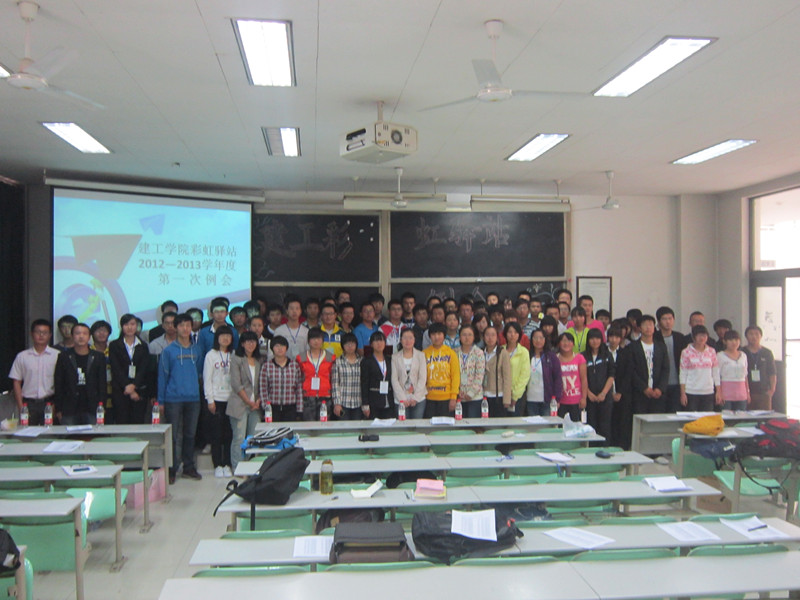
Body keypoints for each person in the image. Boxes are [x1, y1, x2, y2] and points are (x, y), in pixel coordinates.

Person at [158, 313, 202, 483]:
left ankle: (189, 467)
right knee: (173, 436)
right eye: (181, 325)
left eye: (188, 325)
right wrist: (161, 401)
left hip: (193, 398)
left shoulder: (196, 349)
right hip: (173, 399)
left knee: (190, 434)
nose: (185, 329)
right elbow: (162, 377)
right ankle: (171, 469)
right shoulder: (168, 351)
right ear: (175, 328)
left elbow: (199, 373)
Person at [54, 323, 106, 425]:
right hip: (69, 408)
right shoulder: (64, 357)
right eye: (77, 333)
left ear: (89, 337)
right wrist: (58, 408)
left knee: (94, 434)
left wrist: (102, 406)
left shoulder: (98, 357)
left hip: (92, 407)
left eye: (84, 333)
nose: (81, 336)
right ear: (72, 336)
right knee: (68, 434)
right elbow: (58, 383)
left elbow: (102, 383)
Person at [9, 319, 59, 425]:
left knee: (50, 432)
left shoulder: (57, 355)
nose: (41, 335)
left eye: (45, 332)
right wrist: (21, 406)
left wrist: (57, 405)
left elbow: (63, 383)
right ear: (32, 334)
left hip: (50, 403)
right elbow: (16, 382)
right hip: (28, 404)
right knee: (27, 432)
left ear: (50, 335)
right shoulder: (22, 356)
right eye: (38, 332)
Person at [228, 331, 264, 473]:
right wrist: (249, 402)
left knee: (253, 437)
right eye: (247, 341)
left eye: (253, 341)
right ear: (242, 344)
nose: (251, 344)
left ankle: (249, 466)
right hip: (240, 404)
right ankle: (237, 467)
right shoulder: (236, 359)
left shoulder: (258, 360)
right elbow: (236, 384)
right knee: (239, 437)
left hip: (256, 405)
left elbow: (262, 382)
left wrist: (258, 400)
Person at [203, 326, 234, 478]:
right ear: (217, 338)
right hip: (216, 400)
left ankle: (227, 464)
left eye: (228, 336)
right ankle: (217, 465)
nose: (225, 338)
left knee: (229, 434)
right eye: (222, 336)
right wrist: (210, 400)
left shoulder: (234, 355)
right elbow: (207, 379)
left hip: (232, 400)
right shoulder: (211, 355)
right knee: (216, 435)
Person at [109, 313, 150, 424]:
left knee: (138, 423)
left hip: (139, 391)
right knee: (122, 422)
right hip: (121, 391)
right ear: (121, 327)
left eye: (132, 324)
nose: (129, 327)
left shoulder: (143, 346)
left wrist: (134, 385)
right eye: (126, 324)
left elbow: (143, 368)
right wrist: (128, 387)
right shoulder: (114, 345)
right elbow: (116, 368)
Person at [627, 314, 670, 415]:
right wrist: (644, 388)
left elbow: (665, 369)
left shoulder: (661, 347)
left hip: (658, 393)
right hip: (639, 393)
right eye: (645, 325)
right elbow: (631, 371)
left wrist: (660, 388)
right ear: (639, 328)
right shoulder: (632, 347)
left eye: (650, 324)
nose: (648, 327)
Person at [259, 335, 304, 422]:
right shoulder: (266, 366)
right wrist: (265, 408)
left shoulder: (294, 365)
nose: (280, 349)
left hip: (290, 407)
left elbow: (299, 389)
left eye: (282, 346)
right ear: (272, 348)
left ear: (286, 348)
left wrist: (299, 409)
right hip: (272, 407)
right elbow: (263, 389)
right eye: (277, 346)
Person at [583, 329, 616, 440]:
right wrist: (588, 393)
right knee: (590, 426)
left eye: (597, 338)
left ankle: (605, 447)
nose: (595, 341)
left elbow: (611, 375)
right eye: (592, 338)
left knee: (605, 427)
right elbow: (581, 377)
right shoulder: (583, 356)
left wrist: (603, 393)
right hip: (589, 398)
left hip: (605, 397)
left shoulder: (607, 355)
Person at [654, 306, 688, 413]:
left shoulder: (680, 337)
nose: (668, 322)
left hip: (677, 383)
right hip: (658, 384)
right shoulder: (654, 338)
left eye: (670, 318)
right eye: (664, 319)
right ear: (659, 321)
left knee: (675, 412)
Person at [679, 325, 721, 412]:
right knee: (692, 418)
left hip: (708, 391)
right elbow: (683, 374)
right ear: (694, 337)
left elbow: (715, 372)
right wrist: (683, 393)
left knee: (707, 418)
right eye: (699, 335)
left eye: (704, 335)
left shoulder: (711, 351)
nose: (702, 338)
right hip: (691, 391)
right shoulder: (686, 352)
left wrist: (718, 391)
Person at [423, 322, 460, 417]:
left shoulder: (451, 353)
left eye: (439, 334)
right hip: (429, 398)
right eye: (433, 334)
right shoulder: (424, 354)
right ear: (430, 336)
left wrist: (453, 397)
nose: (436, 337)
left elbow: (455, 376)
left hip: (447, 398)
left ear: (444, 336)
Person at [297, 328, 335, 421]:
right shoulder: (301, 357)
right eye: (313, 338)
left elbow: (333, 378)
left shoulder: (331, 357)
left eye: (318, 338)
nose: (316, 341)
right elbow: (298, 378)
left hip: (325, 395)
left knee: (325, 424)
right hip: (307, 395)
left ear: (322, 340)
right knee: (308, 425)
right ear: (308, 341)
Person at [391, 328, 427, 419]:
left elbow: (422, 378)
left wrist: (415, 397)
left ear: (414, 340)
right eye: (405, 338)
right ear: (400, 340)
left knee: (417, 424)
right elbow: (394, 379)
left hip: (418, 398)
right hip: (400, 399)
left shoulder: (421, 355)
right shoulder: (395, 357)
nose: (408, 341)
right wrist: (402, 398)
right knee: (403, 425)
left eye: (410, 338)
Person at [527, 329, 562, 417]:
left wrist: (557, 398)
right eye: (535, 338)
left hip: (547, 399)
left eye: (541, 338)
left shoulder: (551, 357)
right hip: (530, 399)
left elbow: (557, 378)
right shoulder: (527, 355)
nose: (538, 340)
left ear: (545, 340)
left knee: (547, 424)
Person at [360, 331, 395, 419]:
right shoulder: (366, 361)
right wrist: (365, 404)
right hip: (373, 401)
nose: (379, 343)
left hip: (389, 399)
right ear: (371, 344)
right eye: (376, 341)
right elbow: (364, 383)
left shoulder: (390, 360)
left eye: (381, 340)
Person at [743, 325, 777, 411]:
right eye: (751, 334)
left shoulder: (767, 352)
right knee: (747, 416)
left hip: (763, 391)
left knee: (765, 416)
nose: (754, 336)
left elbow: (772, 372)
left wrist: (772, 389)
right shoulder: (742, 352)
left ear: (761, 336)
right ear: (746, 336)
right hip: (746, 391)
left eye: (756, 334)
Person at [555, 332, 588, 422]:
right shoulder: (555, 359)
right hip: (560, 401)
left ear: (573, 344)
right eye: (563, 341)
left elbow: (584, 379)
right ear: (559, 343)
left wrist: (584, 398)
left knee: (576, 426)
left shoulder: (579, 358)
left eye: (569, 341)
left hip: (576, 400)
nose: (566, 343)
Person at [331, 332, 363, 420]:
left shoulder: (362, 361)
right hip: (343, 402)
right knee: (343, 427)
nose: (350, 346)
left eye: (352, 343)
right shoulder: (338, 362)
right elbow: (335, 384)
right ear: (342, 345)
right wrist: (337, 403)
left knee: (357, 427)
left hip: (358, 402)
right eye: (347, 344)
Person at [457, 324, 486, 418]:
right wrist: (457, 392)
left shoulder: (479, 353)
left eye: (470, 335)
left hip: (475, 397)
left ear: (474, 337)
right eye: (464, 335)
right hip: (459, 396)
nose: (467, 338)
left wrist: (471, 393)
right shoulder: (454, 352)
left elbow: (479, 375)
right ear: (459, 337)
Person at [483, 325, 512, 418]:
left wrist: (507, 399)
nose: (490, 338)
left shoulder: (503, 353)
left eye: (493, 335)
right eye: (487, 335)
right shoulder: (481, 353)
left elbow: (507, 377)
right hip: (483, 395)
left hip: (498, 396)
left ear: (497, 337)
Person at [718, 330, 750, 411]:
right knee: (727, 416)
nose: (734, 342)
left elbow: (745, 376)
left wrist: (747, 392)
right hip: (726, 393)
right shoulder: (720, 355)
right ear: (725, 341)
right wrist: (719, 393)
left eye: (736, 340)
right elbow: (717, 376)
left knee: (741, 416)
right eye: (731, 340)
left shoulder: (743, 355)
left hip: (741, 393)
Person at [504, 321, 530, 416]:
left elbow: (525, 375)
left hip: (518, 395)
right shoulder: (501, 350)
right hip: (502, 394)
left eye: (515, 332)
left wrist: (515, 395)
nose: (512, 335)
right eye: (510, 332)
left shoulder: (523, 352)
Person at [274, 296, 309, 360]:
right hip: (284, 364)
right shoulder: (279, 331)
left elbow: (309, 351)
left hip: (302, 364)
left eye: (297, 308)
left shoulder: (306, 331)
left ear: (301, 311)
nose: (294, 311)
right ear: (287, 311)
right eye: (291, 308)